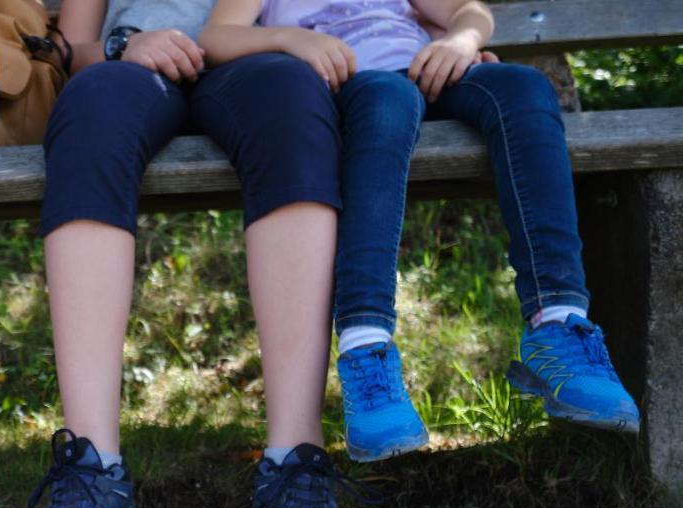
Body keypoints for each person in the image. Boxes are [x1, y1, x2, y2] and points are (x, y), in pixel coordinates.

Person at [202, 0, 640, 463]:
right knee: (388, 98)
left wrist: (460, 40)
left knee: (522, 84)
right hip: (350, 92)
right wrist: (290, 39)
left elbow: (468, 10)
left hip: (425, 73)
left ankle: (557, 325)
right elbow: (216, 37)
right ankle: (365, 348)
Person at [22, 0, 360, 508]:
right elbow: (71, 47)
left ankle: (295, 466)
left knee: (292, 100)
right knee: (91, 105)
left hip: (251, 65)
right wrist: (121, 47)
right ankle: (91, 469)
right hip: (132, 71)